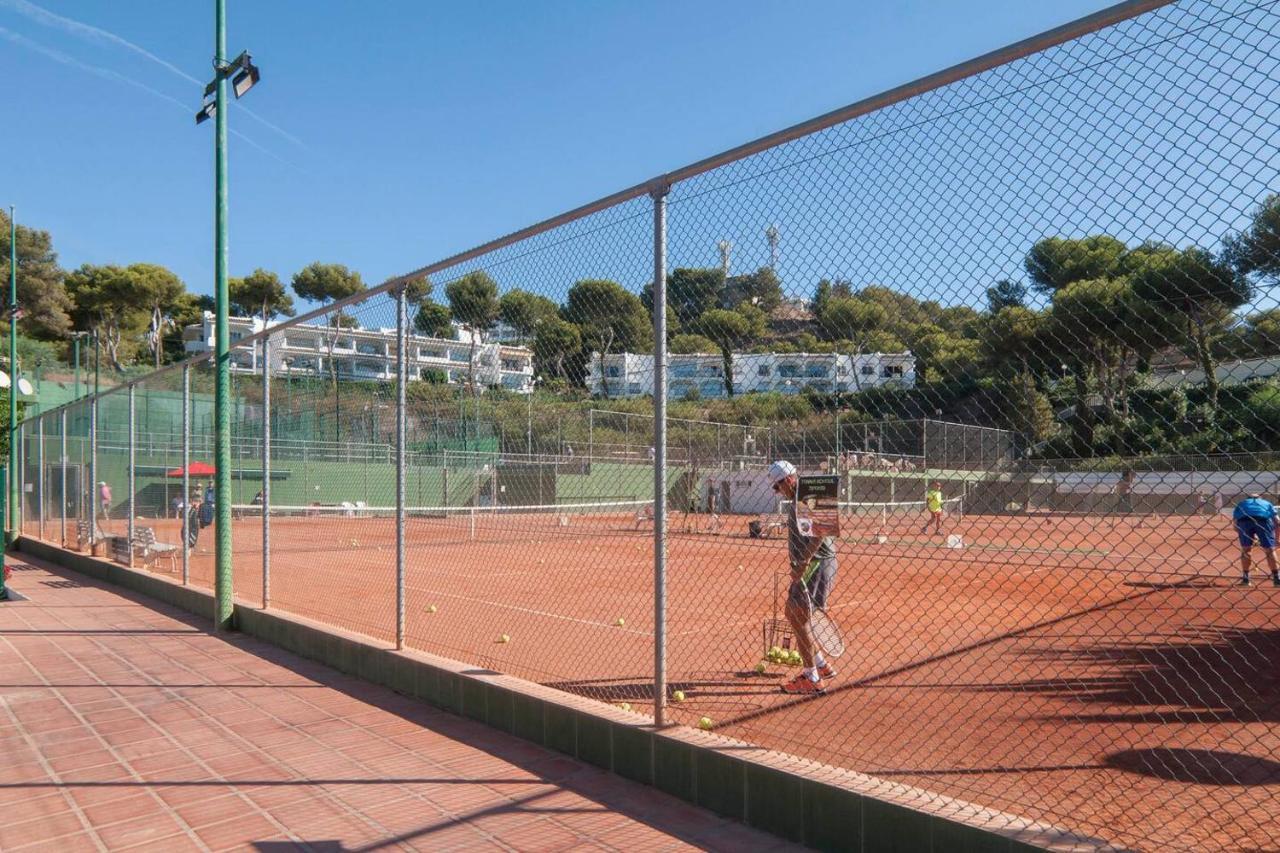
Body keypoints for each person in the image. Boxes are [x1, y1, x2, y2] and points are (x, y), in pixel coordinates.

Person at [770, 460, 838, 695]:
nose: (778, 492)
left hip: (816, 565)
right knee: (792, 613)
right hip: (808, 566)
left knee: (799, 617)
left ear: (788, 479)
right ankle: (820, 664)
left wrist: (803, 562)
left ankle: (812, 678)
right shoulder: (799, 496)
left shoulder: (810, 492)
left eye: (778, 486)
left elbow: (821, 532)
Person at [1232, 494, 1280, 587]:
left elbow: (1234, 524)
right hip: (1263, 521)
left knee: (1246, 549)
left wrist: (1247, 536)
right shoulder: (1266, 503)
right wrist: (1277, 539)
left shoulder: (1242, 503)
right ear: (1260, 498)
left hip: (1244, 521)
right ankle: (1276, 579)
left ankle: (1246, 579)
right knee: (1270, 550)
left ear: (1248, 499)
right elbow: (1277, 521)